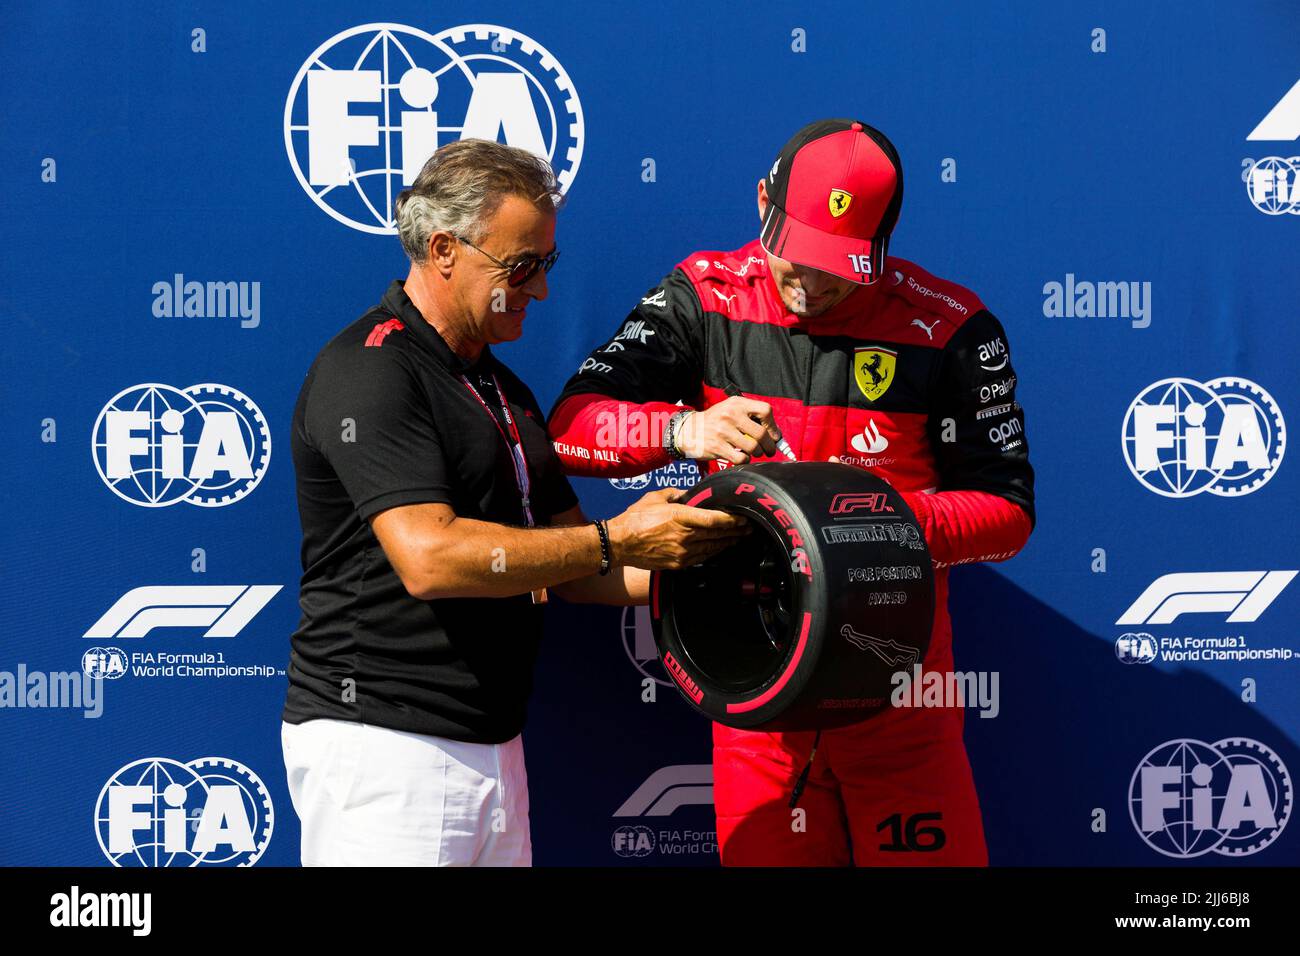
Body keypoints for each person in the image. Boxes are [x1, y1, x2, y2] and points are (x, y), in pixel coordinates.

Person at [547, 119, 1036, 866]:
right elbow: (571, 429)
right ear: (761, 203)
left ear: (882, 242)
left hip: (901, 705)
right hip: (757, 708)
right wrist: (686, 433)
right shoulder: (704, 296)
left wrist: (879, 526)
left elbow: (1010, 515)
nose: (809, 283)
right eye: (794, 256)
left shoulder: (952, 328)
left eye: (839, 266)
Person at [281, 139, 748, 867]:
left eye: (547, 265)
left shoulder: (506, 392)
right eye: (521, 267)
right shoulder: (371, 369)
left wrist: (709, 553)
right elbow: (428, 557)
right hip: (383, 747)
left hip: (494, 747)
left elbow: (579, 572)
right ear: (443, 248)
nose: (540, 290)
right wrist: (616, 539)